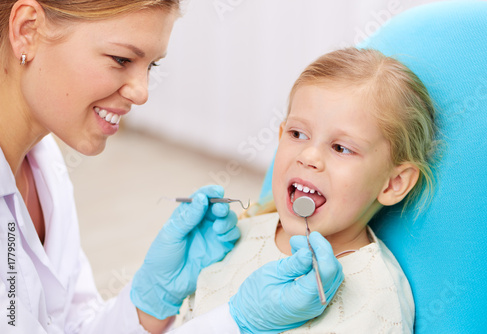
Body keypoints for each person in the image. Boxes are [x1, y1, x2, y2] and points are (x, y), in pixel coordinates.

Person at [0, 1, 344, 333]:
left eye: (151, 66)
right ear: (27, 29)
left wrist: (148, 303)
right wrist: (237, 323)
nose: (142, 92)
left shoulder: (43, 163)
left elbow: (66, 325)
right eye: (121, 59)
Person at [176, 48, 438, 333]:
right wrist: (158, 299)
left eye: (341, 148)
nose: (308, 156)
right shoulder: (238, 234)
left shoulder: (376, 302)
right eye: (297, 134)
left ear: (393, 183)